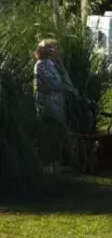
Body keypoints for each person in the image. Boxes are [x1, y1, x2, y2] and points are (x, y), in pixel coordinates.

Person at [33, 38, 75, 167]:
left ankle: (61, 161)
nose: (58, 51)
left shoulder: (54, 66)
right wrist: (66, 87)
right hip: (48, 107)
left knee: (59, 134)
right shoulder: (41, 65)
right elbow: (57, 84)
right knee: (50, 134)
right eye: (55, 48)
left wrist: (62, 68)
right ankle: (49, 162)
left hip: (58, 106)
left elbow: (68, 84)